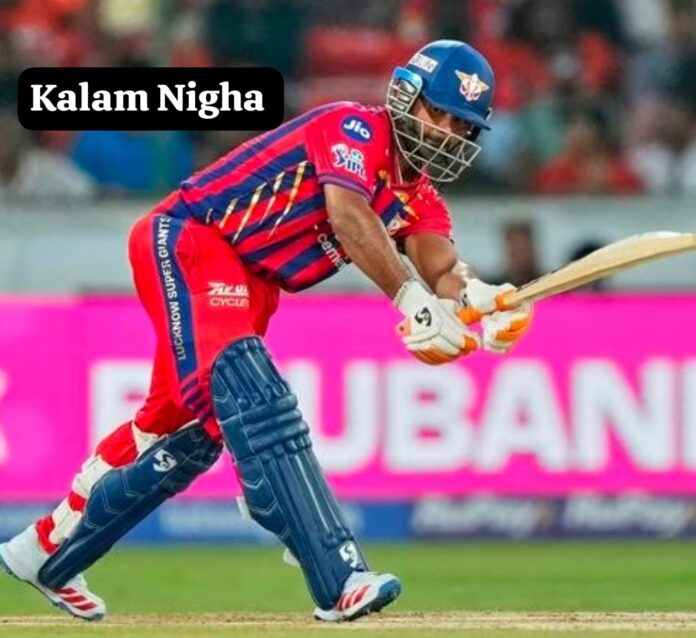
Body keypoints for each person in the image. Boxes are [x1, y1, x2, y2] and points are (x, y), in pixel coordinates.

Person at [0, 40, 533, 623]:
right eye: (440, 114)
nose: (447, 133)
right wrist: (411, 299)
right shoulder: (354, 128)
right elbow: (348, 215)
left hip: (252, 283)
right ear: (407, 96)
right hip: (192, 239)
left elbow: (443, 267)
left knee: (180, 431)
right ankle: (336, 574)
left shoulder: (420, 197)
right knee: (257, 401)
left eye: (462, 125)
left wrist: (477, 299)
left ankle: (46, 552)